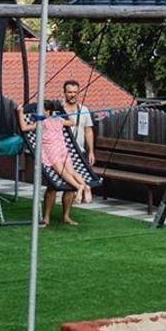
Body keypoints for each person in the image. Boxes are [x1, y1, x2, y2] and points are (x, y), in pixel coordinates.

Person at [21, 96, 89, 227]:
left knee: (64, 173)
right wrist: (63, 111)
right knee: (70, 173)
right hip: (62, 150)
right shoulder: (58, 120)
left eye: (40, 110)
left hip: (53, 152)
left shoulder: (43, 123)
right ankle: (82, 186)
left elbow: (24, 128)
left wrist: (19, 113)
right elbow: (72, 122)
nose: (37, 112)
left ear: (47, 111)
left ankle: (79, 188)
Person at [49, 78, 101, 223]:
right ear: (64, 93)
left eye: (75, 92)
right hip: (58, 153)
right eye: (69, 92)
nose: (72, 95)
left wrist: (91, 151)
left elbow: (88, 131)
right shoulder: (57, 110)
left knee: (71, 186)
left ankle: (66, 216)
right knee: (52, 186)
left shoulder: (84, 110)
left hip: (78, 152)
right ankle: (46, 217)